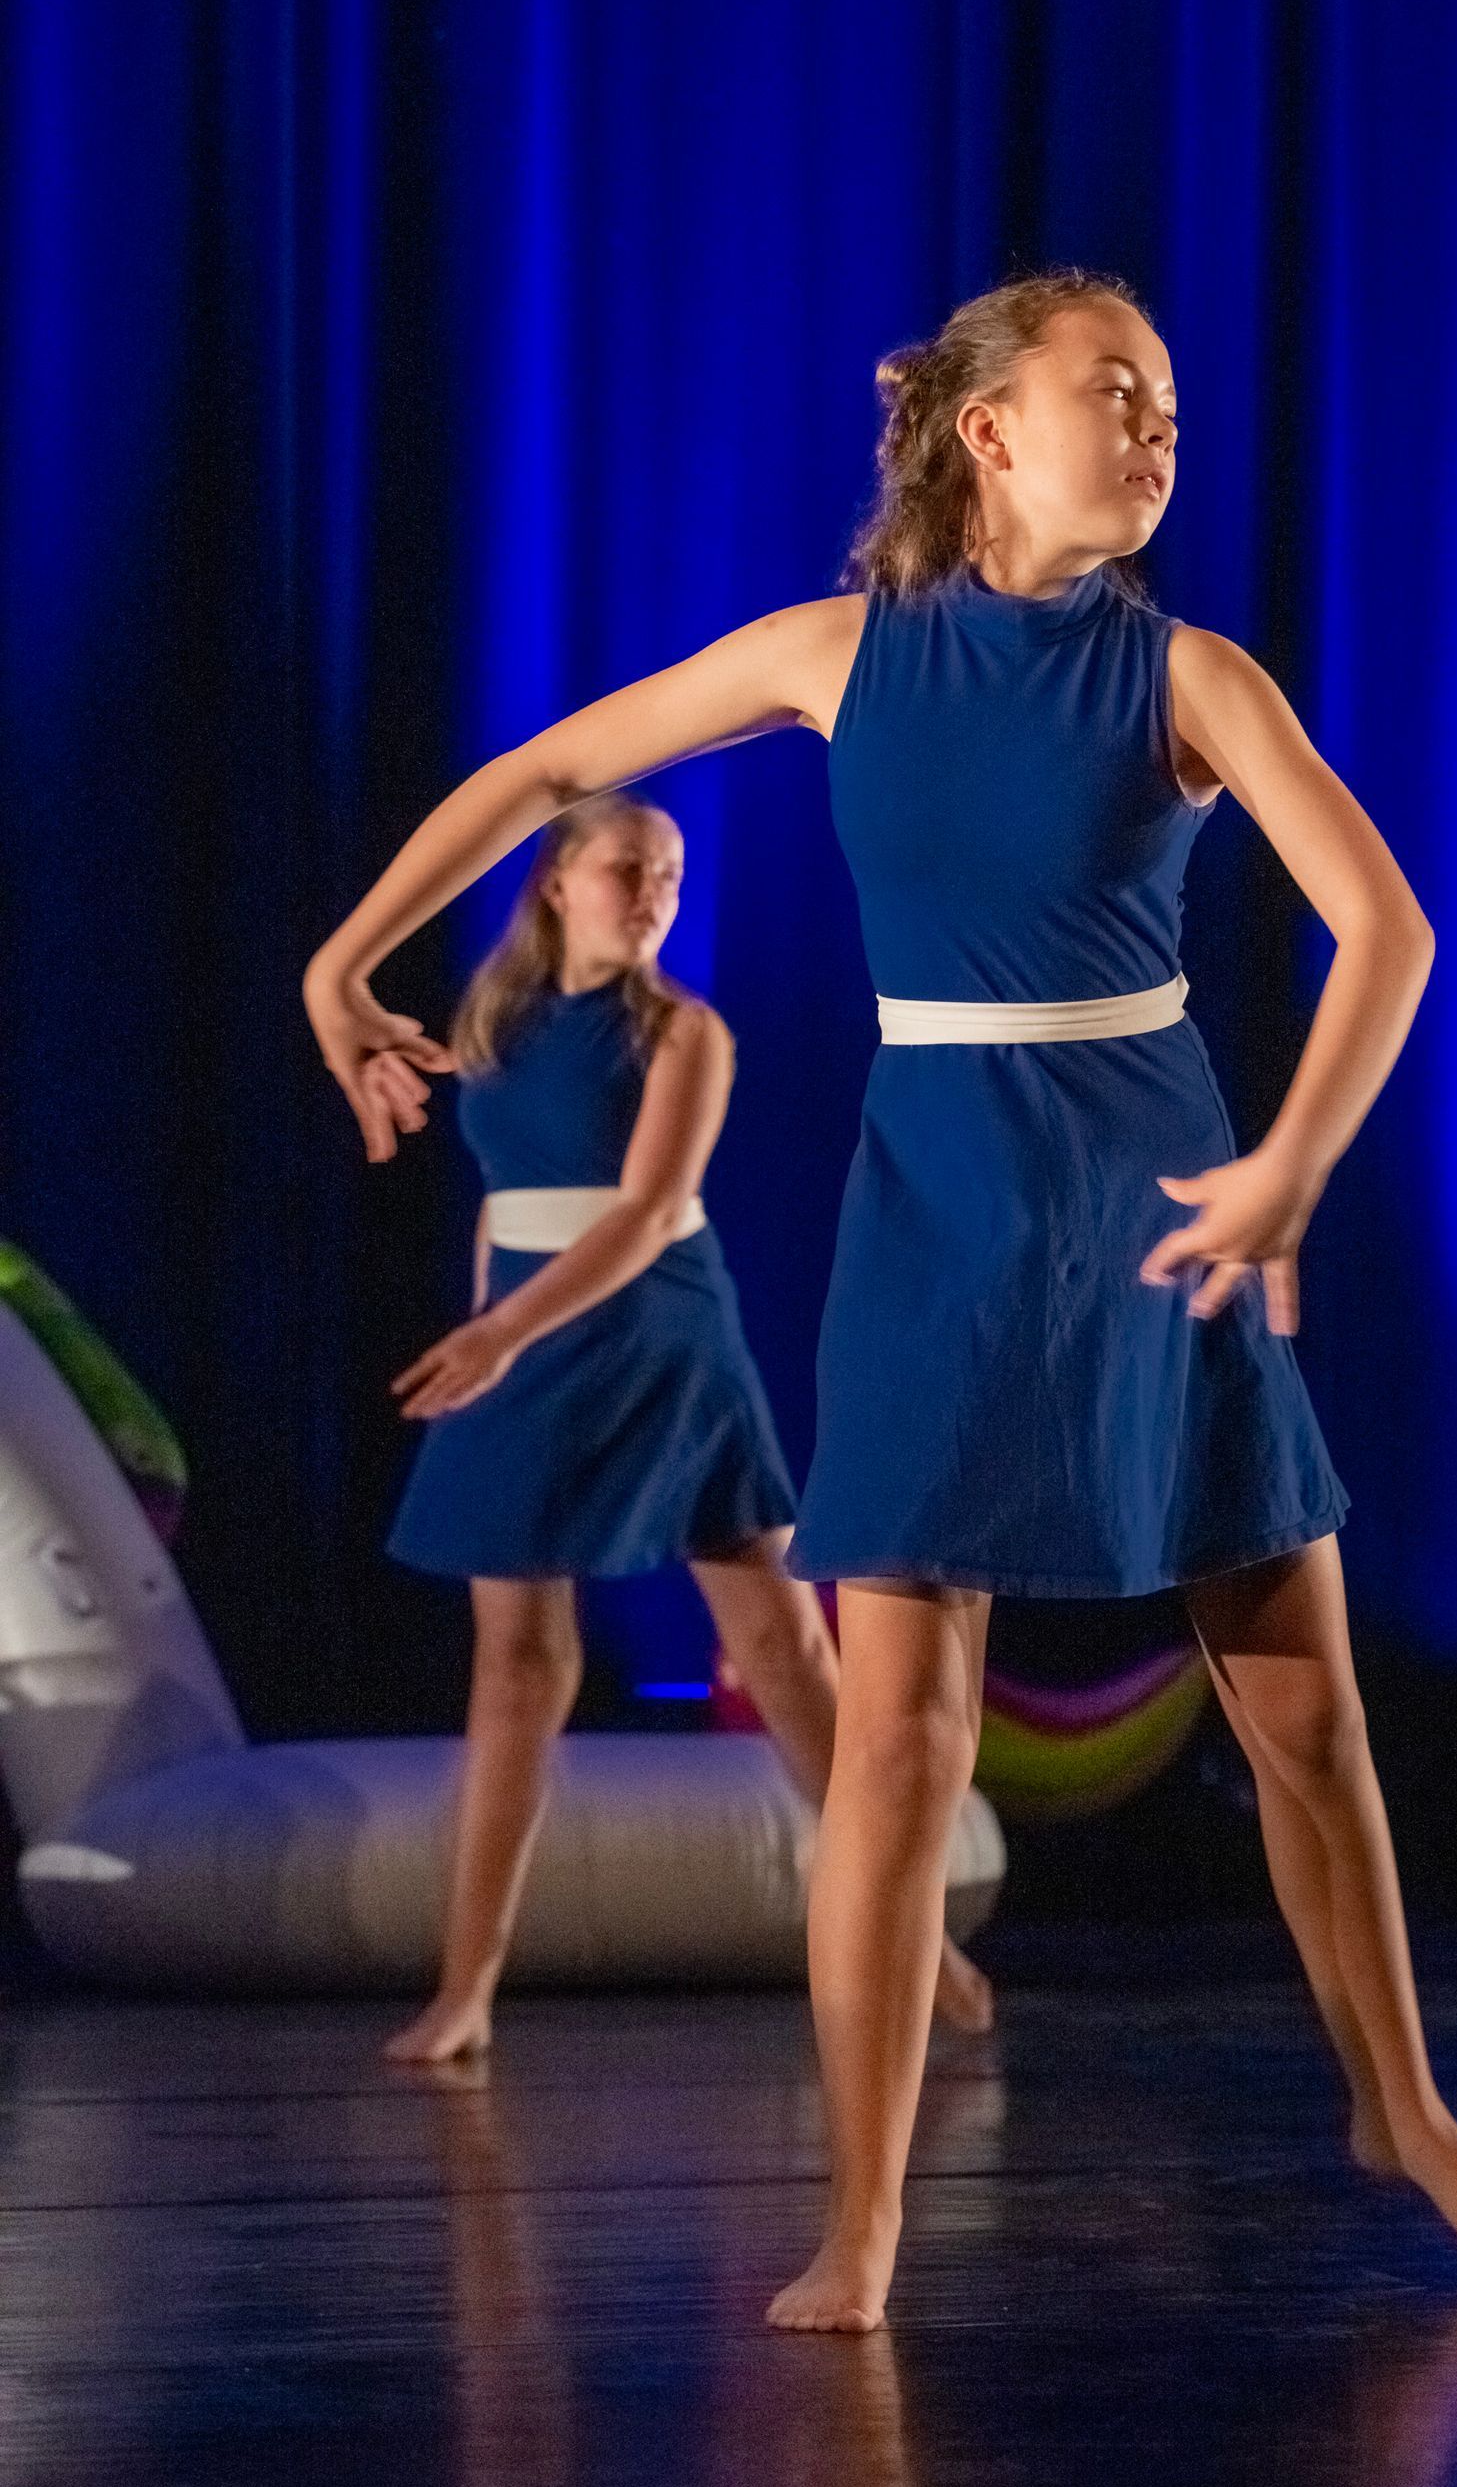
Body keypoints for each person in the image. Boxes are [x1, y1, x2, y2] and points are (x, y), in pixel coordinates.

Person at [305, 266, 1457, 2318]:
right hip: (940, 1214)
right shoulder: (835, 654)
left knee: (1305, 1710)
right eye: (1114, 391)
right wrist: (343, 956)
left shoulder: (1190, 676)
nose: (1155, 428)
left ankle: (1399, 2103)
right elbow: (541, 776)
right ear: (988, 429)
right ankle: (866, 2219)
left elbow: (1389, 929)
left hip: (1158, 1200)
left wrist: (1290, 1165)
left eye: (1168, 405)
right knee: (892, 1739)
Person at [373, 790, 993, 2063]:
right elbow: (504, 1198)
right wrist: (491, 1326)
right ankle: (466, 1988)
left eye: (669, 872)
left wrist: (501, 1332)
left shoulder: (684, 1032)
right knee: (516, 1664)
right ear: (557, 881)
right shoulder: (492, 1025)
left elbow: (650, 1212)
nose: (655, 891)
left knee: (780, 1645)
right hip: (523, 1334)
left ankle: (919, 1944)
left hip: (657, 1331)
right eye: (629, 867)